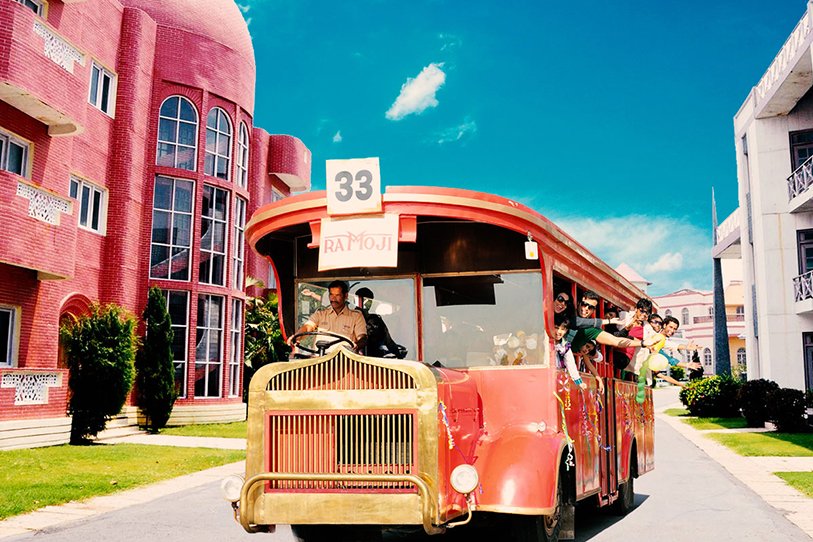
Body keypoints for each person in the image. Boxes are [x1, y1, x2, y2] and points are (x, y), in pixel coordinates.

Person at [287, 280, 367, 353]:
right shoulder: (320, 314)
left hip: (344, 359)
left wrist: (356, 346)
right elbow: (308, 327)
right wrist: (297, 336)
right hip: (320, 358)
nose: (333, 299)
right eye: (331, 294)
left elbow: (362, 338)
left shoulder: (356, 316)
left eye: (337, 295)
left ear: (345, 296)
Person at [355, 287, 406, 358]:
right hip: (354, 359)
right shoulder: (349, 318)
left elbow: (388, 341)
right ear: (355, 301)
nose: (366, 303)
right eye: (363, 300)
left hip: (375, 360)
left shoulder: (376, 321)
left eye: (369, 301)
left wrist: (398, 354)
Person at [553, 315, 586, 390]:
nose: (558, 332)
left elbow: (571, 364)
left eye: (562, 329)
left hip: (557, 377)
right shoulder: (543, 341)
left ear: (566, 331)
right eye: (556, 328)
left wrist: (579, 382)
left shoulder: (565, 346)